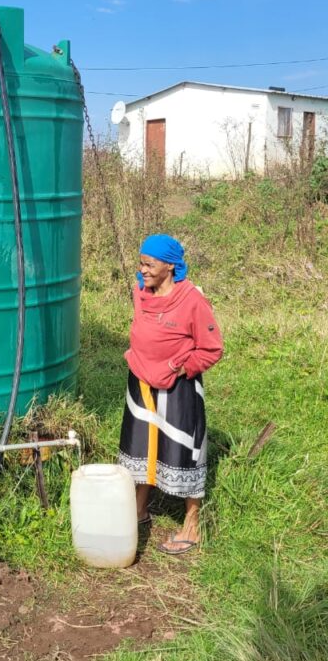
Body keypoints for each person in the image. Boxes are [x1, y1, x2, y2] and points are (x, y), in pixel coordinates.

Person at [118, 234, 223, 555]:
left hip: (177, 388)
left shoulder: (192, 301)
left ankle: (192, 525)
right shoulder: (141, 292)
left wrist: (181, 367)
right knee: (141, 446)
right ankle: (139, 508)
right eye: (141, 263)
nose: (143, 270)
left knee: (183, 451)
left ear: (170, 266)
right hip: (141, 382)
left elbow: (212, 348)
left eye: (149, 264)